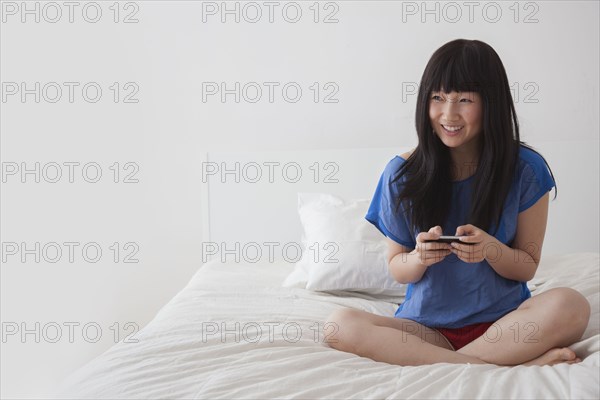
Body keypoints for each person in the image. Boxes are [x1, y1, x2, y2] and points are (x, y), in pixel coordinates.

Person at [324, 39, 590, 366]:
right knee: (339, 324)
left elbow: (527, 265)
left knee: (572, 305)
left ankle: (457, 362)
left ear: (490, 102)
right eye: (437, 97)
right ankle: (504, 364)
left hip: (504, 324)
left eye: (464, 99)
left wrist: (491, 249)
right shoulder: (402, 173)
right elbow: (397, 267)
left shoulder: (525, 170)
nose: (448, 114)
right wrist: (419, 257)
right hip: (426, 328)